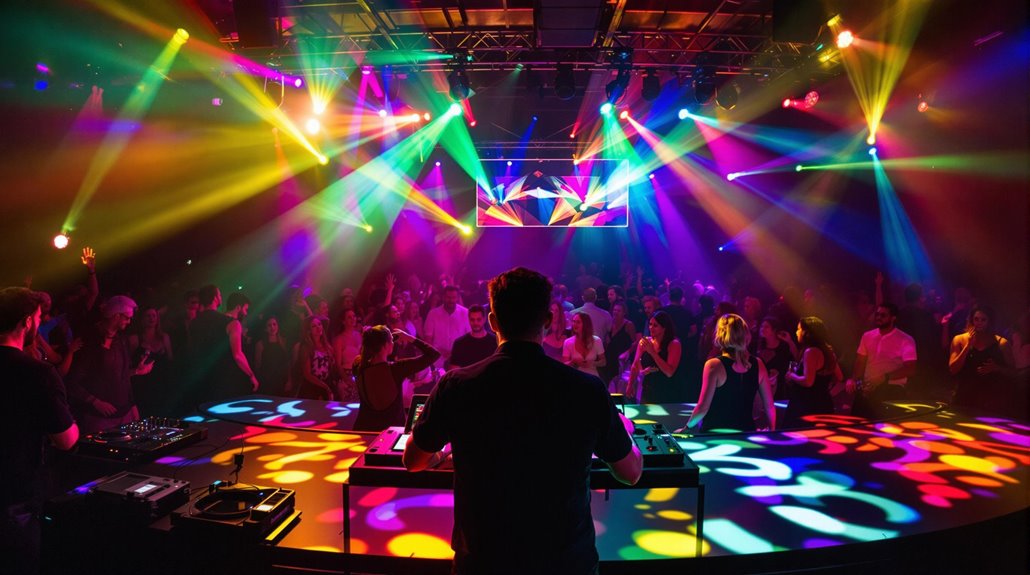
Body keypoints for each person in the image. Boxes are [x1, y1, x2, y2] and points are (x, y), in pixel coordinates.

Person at [403, 267, 641, 575]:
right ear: (547, 320)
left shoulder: (456, 385)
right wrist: (626, 431)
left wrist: (443, 450)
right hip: (565, 560)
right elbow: (630, 473)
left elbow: (413, 460)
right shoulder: (586, 390)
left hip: (483, 559)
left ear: (492, 322)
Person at [0, 287, 79, 575]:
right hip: (13, 501)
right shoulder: (37, 372)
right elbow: (66, 439)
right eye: (37, 317)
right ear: (27, 322)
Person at [66, 295, 154, 434]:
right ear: (116, 316)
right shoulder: (89, 340)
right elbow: (72, 381)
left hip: (124, 414)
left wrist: (132, 402)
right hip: (99, 419)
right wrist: (95, 401)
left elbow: (120, 376)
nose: (129, 321)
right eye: (127, 317)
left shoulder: (121, 340)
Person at [681, 314, 775, 432]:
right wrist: (772, 430)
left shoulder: (713, 365)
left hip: (716, 433)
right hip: (746, 433)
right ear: (745, 335)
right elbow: (769, 406)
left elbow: (703, 407)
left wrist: (687, 427)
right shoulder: (758, 364)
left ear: (720, 335)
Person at [352, 326, 440, 431]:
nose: (393, 343)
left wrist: (384, 340)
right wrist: (409, 338)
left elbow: (367, 352)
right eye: (391, 340)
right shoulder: (397, 369)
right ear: (385, 345)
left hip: (364, 429)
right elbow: (434, 354)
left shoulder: (358, 365)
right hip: (389, 432)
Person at [187, 286, 259, 409]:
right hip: (222, 381)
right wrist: (251, 375)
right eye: (219, 295)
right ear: (215, 298)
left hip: (199, 379)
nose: (221, 298)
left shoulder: (193, 322)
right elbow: (237, 355)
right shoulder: (231, 323)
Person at [846, 303, 917, 418]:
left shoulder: (905, 339)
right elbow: (860, 361)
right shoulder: (867, 336)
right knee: (859, 424)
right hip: (868, 388)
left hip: (892, 389)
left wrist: (885, 377)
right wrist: (853, 379)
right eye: (877, 314)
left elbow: (910, 369)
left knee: (885, 429)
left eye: (883, 315)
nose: (878, 317)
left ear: (893, 318)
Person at [948, 305, 1015, 414]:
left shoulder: (1002, 343)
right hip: (963, 397)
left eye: (983, 320)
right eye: (976, 319)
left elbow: (1014, 373)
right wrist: (967, 347)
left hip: (990, 400)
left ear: (990, 321)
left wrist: (997, 368)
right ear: (971, 320)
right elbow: (953, 369)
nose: (979, 323)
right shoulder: (959, 340)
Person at [782, 317, 842, 428]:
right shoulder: (829, 352)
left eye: (799, 329)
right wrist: (827, 393)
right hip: (824, 404)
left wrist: (792, 375)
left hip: (806, 406)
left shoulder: (810, 352)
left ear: (808, 333)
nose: (797, 332)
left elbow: (808, 381)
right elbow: (840, 378)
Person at [627, 311, 683, 404]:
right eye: (650, 324)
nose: (651, 328)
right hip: (648, 390)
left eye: (655, 325)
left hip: (668, 391)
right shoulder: (644, 342)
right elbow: (635, 365)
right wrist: (631, 383)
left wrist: (652, 352)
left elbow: (669, 372)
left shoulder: (674, 344)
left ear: (664, 328)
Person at [423, 285, 470, 370]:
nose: (451, 300)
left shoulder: (465, 313)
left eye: (453, 297)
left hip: (459, 360)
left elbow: (469, 337)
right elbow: (428, 338)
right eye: (448, 297)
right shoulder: (433, 314)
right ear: (443, 297)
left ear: (457, 298)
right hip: (438, 360)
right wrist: (436, 353)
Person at [291, 316, 338, 400]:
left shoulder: (328, 347)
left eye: (319, 324)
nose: (318, 327)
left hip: (326, 384)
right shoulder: (306, 348)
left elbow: (331, 368)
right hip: (311, 387)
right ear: (309, 331)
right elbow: (307, 374)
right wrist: (325, 386)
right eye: (314, 326)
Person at [752, 317, 798, 400]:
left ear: (774, 330)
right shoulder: (757, 345)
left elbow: (797, 358)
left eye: (766, 327)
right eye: (762, 326)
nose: (762, 329)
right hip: (760, 387)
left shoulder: (783, 346)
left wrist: (789, 341)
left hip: (780, 388)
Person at [601, 300, 638, 391]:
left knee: (618, 386)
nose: (615, 312)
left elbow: (635, 343)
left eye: (618, 310)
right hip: (609, 358)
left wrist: (628, 352)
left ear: (624, 312)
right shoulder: (610, 323)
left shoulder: (628, 325)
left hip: (621, 361)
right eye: (614, 310)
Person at [331, 308, 362, 402]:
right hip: (346, 376)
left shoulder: (360, 335)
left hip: (360, 375)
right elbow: (338, 364)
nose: (353, 319)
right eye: (349, 317)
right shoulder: (339, 339)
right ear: (343, 321)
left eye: (354, 316)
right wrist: (348, 380)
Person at [563, 311, 606, 378]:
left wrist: (593, 363)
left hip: (592, 378)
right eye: (574, 321)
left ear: (586, 324)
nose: (574, 324)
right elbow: (564, 364)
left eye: (578, 322)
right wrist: (573, 361)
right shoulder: (568, 342)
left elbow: (603, 362)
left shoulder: (597, 340)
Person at [255, 316, 290, 396]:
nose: (272, 327)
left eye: (274, 324)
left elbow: (288, 362)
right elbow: (258, 364)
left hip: (281, 380)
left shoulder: (283, 341)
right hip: (267, 381)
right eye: (269, 325)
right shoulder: (260, 344)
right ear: (265, 328)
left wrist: (289, 380)